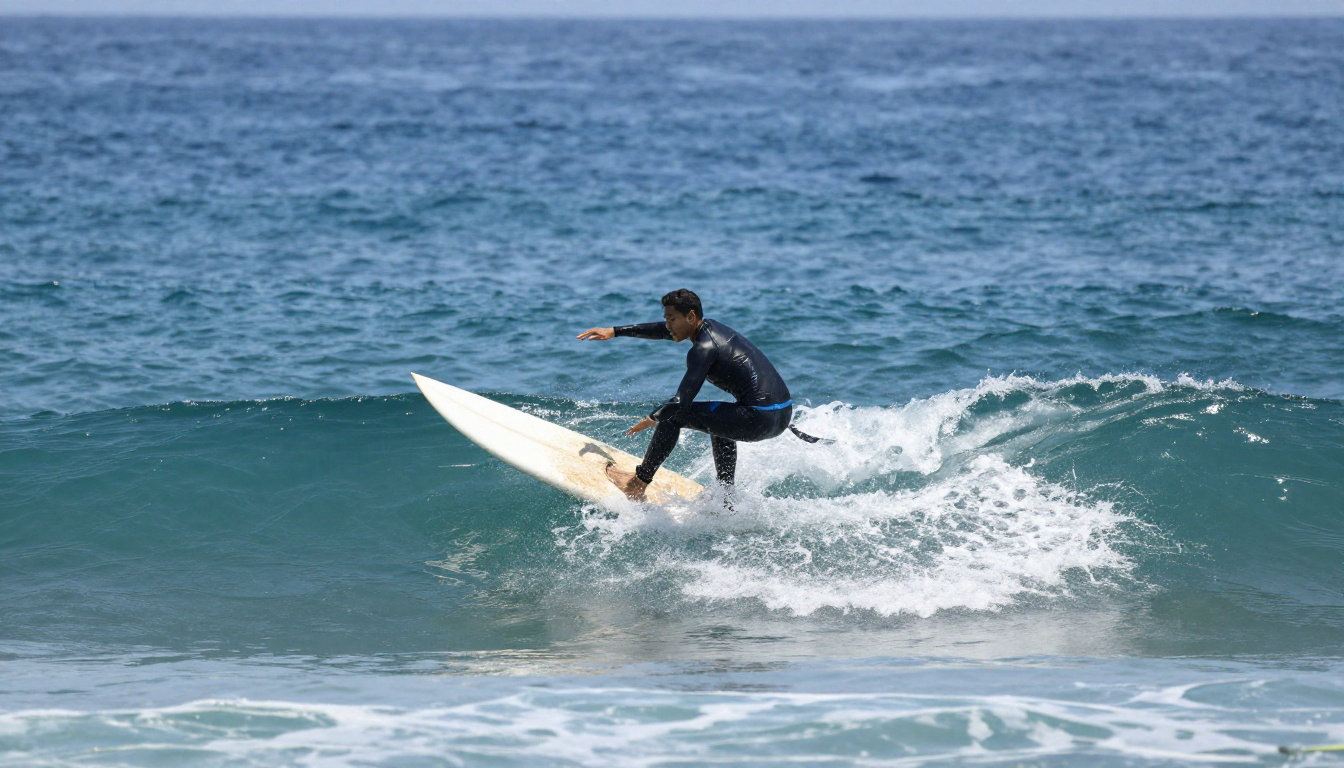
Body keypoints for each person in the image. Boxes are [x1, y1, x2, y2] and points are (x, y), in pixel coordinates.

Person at [577, 289, 801, 501]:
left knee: (673, 416)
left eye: (671, 319)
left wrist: (653, 418)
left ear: (691, 317)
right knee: (720, 421)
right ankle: (725, 497)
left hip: (759, 419)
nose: (668, 325)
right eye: (666, 319)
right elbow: (665, 331)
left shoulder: (704, 349)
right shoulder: (711, 329)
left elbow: (681, 402)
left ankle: (637, 483)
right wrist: (615, 331)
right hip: (781, 415)